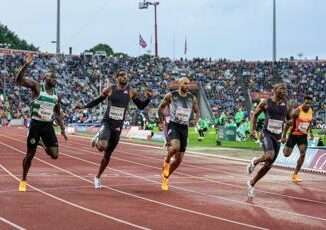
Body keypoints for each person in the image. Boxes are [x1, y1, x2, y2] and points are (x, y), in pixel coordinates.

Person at [74, 70, 152, 189]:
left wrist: (148, 99)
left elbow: (140, 106)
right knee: (102, 146)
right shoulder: (110, 89)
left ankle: (97, 177)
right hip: (107, 122)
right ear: (117, 78)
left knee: (107, 155)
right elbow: (96, 101)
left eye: (125, 75)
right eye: (121, 75)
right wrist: (84, 106)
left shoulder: (131, 92)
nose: (124, 76)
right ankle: (98, 137)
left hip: (118, 126)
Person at [16, 53, 68, 192]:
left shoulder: (57, 95)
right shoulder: (37, 87)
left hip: (47, 126)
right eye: (51, 77)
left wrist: (62, 129)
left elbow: (57, 112)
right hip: (36, 125)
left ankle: (42, 143)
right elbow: (19, 80)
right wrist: (26, 65)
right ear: (45, 78)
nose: (54, 79)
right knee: (30, 155)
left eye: (56, 77)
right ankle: (23, 179)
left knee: (55, 155)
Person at [246, 83, 291, 197]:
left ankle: (252, 183)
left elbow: (289, 121)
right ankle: (255, 161)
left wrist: (285, 134)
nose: (284, 91)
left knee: (268, 164)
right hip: (266, 133)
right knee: (269, 155)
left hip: (278, 137)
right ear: (275, 90)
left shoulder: (286, 105)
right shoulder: (266, 102)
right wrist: (253, 130)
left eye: (285, 89)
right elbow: (255, 115)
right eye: (282, 88)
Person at [158, 77, 200, 191]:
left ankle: (166, 178)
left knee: (179, 159)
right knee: (175, 147)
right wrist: (161, 122)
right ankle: (166, 161)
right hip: (174, 125)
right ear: (180, 84)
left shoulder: (192, 98)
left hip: (184, 128)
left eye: (189, 84)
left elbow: (197, 111)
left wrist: (195, 120)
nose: (188, 85)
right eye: (185, 83)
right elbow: (160, 108)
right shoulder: (171, 95)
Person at [283, 96, 314, 182]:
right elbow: (289, 124)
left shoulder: (311, 111)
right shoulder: (297, 111)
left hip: (303, 136)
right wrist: (284, 136)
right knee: (286, 154)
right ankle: (285, 147)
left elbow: (310, 122)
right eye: (306, 103)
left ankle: (295, 174)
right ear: (303, 102)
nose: (308, 105)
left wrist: (311, 133)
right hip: (293, 135)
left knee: (303, 153)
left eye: (309, 103)